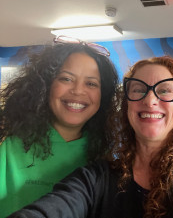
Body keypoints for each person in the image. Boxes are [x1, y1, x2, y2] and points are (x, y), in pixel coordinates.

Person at [8, 56, 173, 218]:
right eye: (138, 89)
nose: (150, 99)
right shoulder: (97, 177)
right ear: (126, 106)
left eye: (165, 90)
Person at [0, 36, 118, 217]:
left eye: (91, 83)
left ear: (103, 95)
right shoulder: (6, 140)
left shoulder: (106, 155)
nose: (78, 90)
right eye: (66, 79)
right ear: (46, 85)